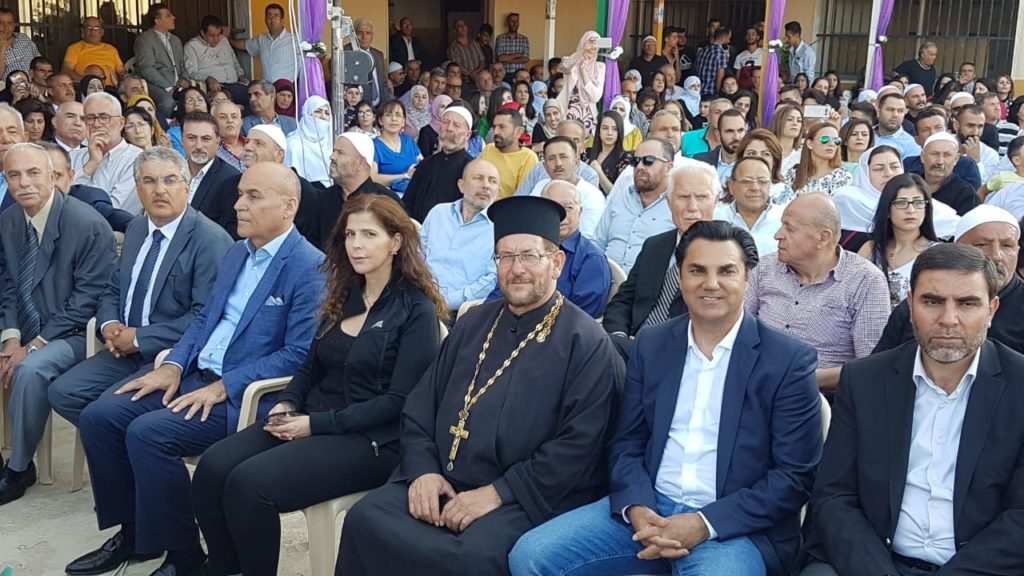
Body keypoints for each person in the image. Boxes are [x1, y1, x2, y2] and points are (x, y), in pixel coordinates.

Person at [513, 220, 822, 576]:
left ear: (747, 276)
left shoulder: (786, 360)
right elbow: (627, 441)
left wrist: (703, 523)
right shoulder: (652, 344)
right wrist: (636, 506)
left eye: (726, 271)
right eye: (697, 270)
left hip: (732, 526)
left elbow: (794, 476)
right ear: (680, 276)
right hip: (649, 508)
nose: (711, 283)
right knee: (530, 556)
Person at [336, 194, 622, 576]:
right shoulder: (472, 324)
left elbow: (580, 446)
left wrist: (498, 493)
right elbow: (421, 405)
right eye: (505, 257)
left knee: (472, 558)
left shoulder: (586, 343)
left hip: (523, 497)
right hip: (440, 478)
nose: (516, 269)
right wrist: (422, 470)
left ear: (556, 263)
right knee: (365, 519)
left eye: (529, 256)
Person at [67, 162, 324, 576]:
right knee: (100, 417)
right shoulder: (238, 252)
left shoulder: (309, 266)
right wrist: (173, 364)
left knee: (148, 434)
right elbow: (206, 320)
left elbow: (299, 353)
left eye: (253, 196)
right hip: (194, 375)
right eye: (240, 194)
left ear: (288, 206)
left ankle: (184, 555)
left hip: (244, 395)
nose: (238, 205)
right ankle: (134, 534)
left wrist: (225, 385)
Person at [192, 192, 444, 576]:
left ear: (395, 242)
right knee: (212, 468)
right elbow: (310, 365)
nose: (356, 245)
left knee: (249, 484)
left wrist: (314, 425)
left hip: (373, 439)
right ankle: (225, 568)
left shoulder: (416, 311)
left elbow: (400, 401)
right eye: (350, 234)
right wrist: (288, 402)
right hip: (312, 417)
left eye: (370, 235)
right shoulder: (346, 295)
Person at [801, 242, 1024, 576]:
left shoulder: (1019, 387)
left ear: (992, 310)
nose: (948, 320)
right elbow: (834, 496)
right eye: (932, 301)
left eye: (967, 303)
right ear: (910, 305)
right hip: (876, 562)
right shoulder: (865, 381)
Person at [48, 145, 232, 432]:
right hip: (122, 350)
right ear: (137, 188)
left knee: (105, 412)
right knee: (63, 392)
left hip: (171, 355)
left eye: (170, 180)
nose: (160, 190)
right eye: (149, 181)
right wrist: (109, 324)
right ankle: (118, 444)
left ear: (187, 187)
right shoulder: (136, 228)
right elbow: (113, 287)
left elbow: (204, 316)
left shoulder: (209, 239)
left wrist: (139, 338)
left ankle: (124, 441)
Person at [0, 141, 116, 505]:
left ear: (53, 176)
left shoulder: (87, 224)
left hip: (76, 332)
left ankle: (19, 469)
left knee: (31, 369)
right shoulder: (9, 220)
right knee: (16, 358)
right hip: (25, 327)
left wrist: (33, 345)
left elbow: (88, 301)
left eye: (33, 173)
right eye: (14, 175)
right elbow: (7, 284)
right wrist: (11, 338)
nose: (24, 183)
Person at [745, 193, 890, 391]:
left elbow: (871, 365)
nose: (778, 235)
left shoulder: (865, 280)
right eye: (781, 225)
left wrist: (799, 379)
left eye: (790, 228)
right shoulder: (764, 268)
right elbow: (736, 330)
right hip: (754, 387)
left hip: (823, 396)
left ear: (823, 237)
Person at [603, 159, 719, 359]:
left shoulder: (726, 255)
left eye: (701, 197)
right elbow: (623, 300)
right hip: (629, 347)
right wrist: (619, 337)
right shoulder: (654, 246)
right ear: (669, 201)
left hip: (682, 354)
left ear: (715, 201)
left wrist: (650, 345)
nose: (692, 207)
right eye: (683, 197)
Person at [873, 204, 1024, 354]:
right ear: (957, 247)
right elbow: (882, 362)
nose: (996, 256)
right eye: (982, 245)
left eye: (1007, 246)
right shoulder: (921, 302)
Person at [490, 180, 610, 318]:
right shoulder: (521, 249)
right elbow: (497, 297)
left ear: (580, 212)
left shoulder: (591, 259)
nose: (562, 217)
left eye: (569, 208)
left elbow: (581, 318)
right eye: (554, 209)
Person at [834, 144, 960, 252]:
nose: (888, 173)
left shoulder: (929, 205)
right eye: (878, 168)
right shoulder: (847, 201)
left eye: (894, 167)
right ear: (865, 173)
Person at [420, 159, 500, 317]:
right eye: (478, 178)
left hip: (460, 312)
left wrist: (444, 301)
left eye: (493, 181)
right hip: (419, 300)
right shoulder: (438, 213)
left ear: (498, 191)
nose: (486, 185)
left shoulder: (499, 227)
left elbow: (492, 279)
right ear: (461, 185)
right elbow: (416, 257)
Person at [593, 138, 676, 273]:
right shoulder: (620, 198)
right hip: (605, 279)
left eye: (648, 160)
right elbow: (597, 244)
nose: (640, 167)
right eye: (635, 161)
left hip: (650, 284)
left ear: (669, 167)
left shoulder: (677, 206)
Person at [858, 173, 941, 308]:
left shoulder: (937, 254)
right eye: (901, 203)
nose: (911, 210)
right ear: (887, 209)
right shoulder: (870, 249)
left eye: (918, 203)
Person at [314, 132, 400, 249]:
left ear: (360, 163)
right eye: (334, 151)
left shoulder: (386, 200)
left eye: (340, 153)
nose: (332, 157)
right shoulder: (324, 198)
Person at [237, 124, 320, 244]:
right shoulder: (230, 184)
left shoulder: (301, 189)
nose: (248, 147)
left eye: (258, 143)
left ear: (279, 154)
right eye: (247, 142)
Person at [70, 91, 144, 214]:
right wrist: (90, 165)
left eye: (104, 117)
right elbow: (58, 200)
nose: (96, 124)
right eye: (90, 118)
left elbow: (114, 211)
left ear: (121, 123)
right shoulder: (72, 157)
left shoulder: (137, 159)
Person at [403, 105, 474, 222]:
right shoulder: (425, 164)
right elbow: (407, 202)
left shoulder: (471, 169)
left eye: (456, 125)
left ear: (468, 135)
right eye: (446, 122)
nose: (449, 128)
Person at [524, 136, 605, 238]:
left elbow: (588, 237)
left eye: (563, 157)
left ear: (576, 162)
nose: (558, 163)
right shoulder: (540, 186)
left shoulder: (592, 195)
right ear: (544, 166)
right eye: (551, 158)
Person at [180, 111, 243, 236]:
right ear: (182, 140)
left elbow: (228, 234)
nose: (199, 146)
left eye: (206, 139)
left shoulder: (231, 179)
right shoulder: (172, 173)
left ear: (218, 141)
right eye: (191, 138)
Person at [715, 156, 784, 256]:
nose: (755, 188)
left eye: (762, 181)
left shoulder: (784, 220)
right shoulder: (715, 218)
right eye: (747, 181)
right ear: (731, 186)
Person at [133, 4, 189, 117]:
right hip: (155, 84)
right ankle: (161, 126)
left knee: (195, 99)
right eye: (168, 16)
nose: (173, 17)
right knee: (168, 102)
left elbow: (182, 66)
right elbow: (147, 69)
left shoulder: (176, 40)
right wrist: (169, 87)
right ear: (157, 21)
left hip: (178, 85)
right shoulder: (144, 39)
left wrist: (185, 79)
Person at [184, 15, 249, 104]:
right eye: (212, 36)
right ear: (202, 33)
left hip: (235, 84)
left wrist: (241, 76)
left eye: (218, 35)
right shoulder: (191, 46)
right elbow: (191, 72)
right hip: (215, 87)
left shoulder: (224, 40)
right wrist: (208, 78)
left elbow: (235, 62)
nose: (216, 39)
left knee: (255, 96)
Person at [229, 3, 301, 84]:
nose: (272, 20)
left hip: (287, 88)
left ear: (282, 20)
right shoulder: (262, 39)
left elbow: (304, 64)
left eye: (276, 16)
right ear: (265, 20)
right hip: (268, 88)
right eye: (269, 16)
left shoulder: (294, 40)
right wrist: (228, 39)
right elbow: (244, 45)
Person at [480, 108, 537, 199]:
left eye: (502, 127)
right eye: (495, 127)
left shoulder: (528, 158)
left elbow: (522, 197)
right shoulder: (489, 149)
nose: (496, 132)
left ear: (518, 132)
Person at [919, 132, 979, 216]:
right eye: (935, 154)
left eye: (947, 155)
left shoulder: (965, 194)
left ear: (956, 159)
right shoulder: (911, 186)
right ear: (922, 157)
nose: (940, 161)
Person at [558, 31, 604, 137]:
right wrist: (583, 50)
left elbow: (596, 97)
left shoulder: (600, 67)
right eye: (590, 42)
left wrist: (583, 72)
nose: (593, 47)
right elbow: (565, 67)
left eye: (596, 43)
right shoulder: (570, 61)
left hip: (589, 117)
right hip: (568, 114)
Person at [372, 100, 422, 195]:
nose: (394, 119)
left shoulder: (409, 141)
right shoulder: (374, 145)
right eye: (388, 115)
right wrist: (405, 176)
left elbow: (423, 165)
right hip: (387, 196)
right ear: (380, 120)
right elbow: (373, 178)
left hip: (414, 193)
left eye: (398, 115)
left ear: (403, 121)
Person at [789, 122, 852, 196]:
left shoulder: (842, 176)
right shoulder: (793, 173)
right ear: (810, 144)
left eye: (836, 140)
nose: (832, 144)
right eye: (825, 139)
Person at [285, 95, 334, 188]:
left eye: (327, 113)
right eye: (317, 111)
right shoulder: (294, 144)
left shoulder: (332, 144)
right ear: (306, 114)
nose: (323, 117)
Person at [62, 16, 125, 86]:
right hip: (87, 87)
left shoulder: (112, 49)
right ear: (83, 31)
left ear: (102, 32)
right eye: (89, 28)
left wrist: (124, 80)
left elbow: (121, 71)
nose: (92, 31)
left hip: (110, 87)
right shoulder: (74, 48)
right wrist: (85, 81)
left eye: (96, 28)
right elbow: (66, 70)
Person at [695, 108, 747, 186]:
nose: (736, 137)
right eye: (729, 131)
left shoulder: (753, 163)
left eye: (740, 130)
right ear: (718, 135)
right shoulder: (700, 162)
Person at [346, 19, 390, 107]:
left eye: (368, 33)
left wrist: (385, 105)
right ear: (353, 35)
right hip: (357, 108)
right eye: (360, 33)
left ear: (372, 35)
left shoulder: (378, 55)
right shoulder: (346, 53)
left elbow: (383, 83)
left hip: (379, 107)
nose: (364, 37)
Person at [954, 104, 1001, 183]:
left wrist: (976, 161)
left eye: (980, 126)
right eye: (970, 126)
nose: (975, 132)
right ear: (956, 126)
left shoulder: (990, 155)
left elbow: (985, 186)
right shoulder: (943, 145)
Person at [589, 110, 631, 194]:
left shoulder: (625, 158)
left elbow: (618, 194)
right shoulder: (587, 153)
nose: (610, 133)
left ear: (619, 132)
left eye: (615, 129)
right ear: (599, 131)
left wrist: (599, 172)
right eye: (605, 128)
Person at [165, 86, 209, 155]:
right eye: (190, 101)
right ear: (183, 107)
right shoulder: (174, 134)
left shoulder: (216, 130)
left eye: (200, 100)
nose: (196, 104)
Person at [0, 8, 40, 77]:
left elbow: (39, 61)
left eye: (9, 23)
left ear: (13, 26)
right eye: (1, 23)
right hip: (9, 82)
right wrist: (2, 48)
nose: (6, 27)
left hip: (33, 81)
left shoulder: (23, 38)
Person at [494, 12, 530, 83]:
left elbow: (525, 59)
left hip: (520, 75)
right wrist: (516, 55)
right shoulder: (500, 38)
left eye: (516, 21)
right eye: (512, 21)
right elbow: (500, 58)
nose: (514, 23)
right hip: (504, 74)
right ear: (508, 23)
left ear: (519, 23)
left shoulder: (524, 39)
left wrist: (507, 59)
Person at [213, 100, 246, 172]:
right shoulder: (211, 150)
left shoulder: (253, 145)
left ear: (241, 122)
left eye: (234, 117)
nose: (230, 120)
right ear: (213, 123)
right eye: (223, 117)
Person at [695, 27, 731, 96]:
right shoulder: (721, 53)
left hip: (698, 89)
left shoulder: (703, 50)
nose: (729, 41)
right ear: (723, 38)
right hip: (711, 91)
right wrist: (719, 94)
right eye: (728, 38)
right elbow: (720, 77)